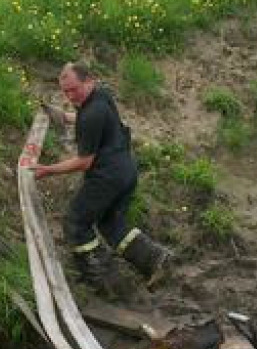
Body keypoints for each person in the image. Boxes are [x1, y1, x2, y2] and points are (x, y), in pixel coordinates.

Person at [34, 63, 173, 292]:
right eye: (65, 91)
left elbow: (83, 162)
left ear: (89, 80)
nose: (70, 96)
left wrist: (48, 170)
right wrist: (67, 117)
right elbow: (94, 121)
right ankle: (156, 260)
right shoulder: (101, 95)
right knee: (111, 223)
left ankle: (103, 278)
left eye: (74, 89)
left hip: (106, 177)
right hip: (126, 170)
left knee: (76, 222)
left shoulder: (91, 114)